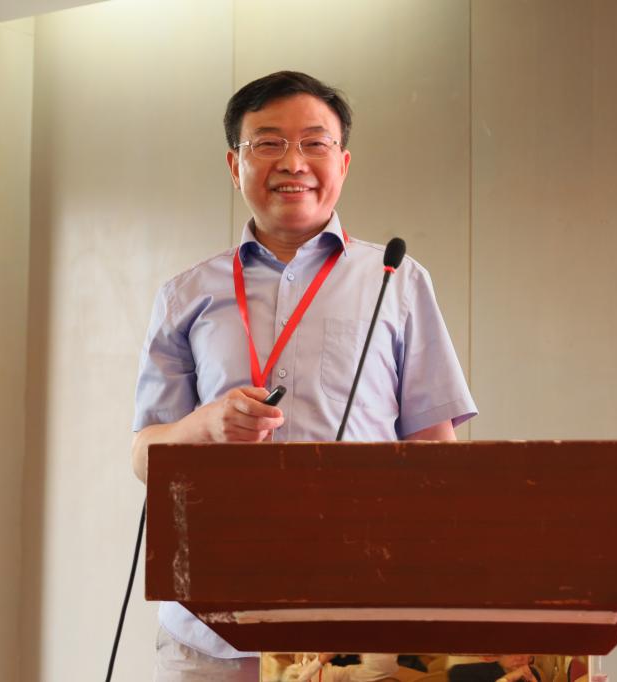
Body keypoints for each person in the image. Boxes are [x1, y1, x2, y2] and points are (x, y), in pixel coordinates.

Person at [131, 70, 477, 682]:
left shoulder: (396, 280)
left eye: (314, 143)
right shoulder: (185, 295)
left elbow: (434, 454)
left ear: (342, 162)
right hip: (211, 631)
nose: (293, 162)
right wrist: (206, 425)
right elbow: (144, 457)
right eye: (268, 142)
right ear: (234, 164)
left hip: (357, 629)